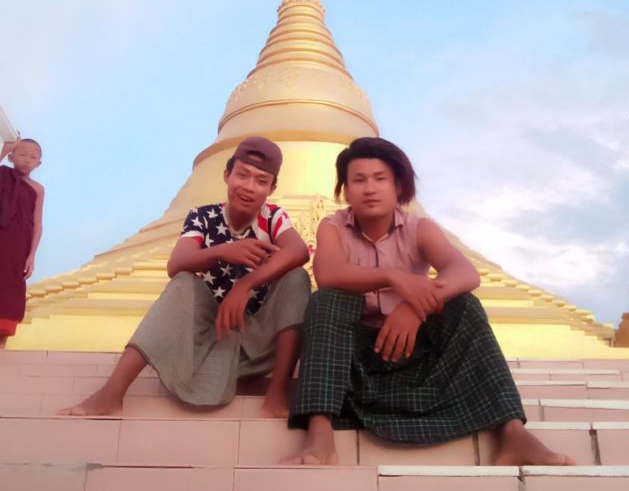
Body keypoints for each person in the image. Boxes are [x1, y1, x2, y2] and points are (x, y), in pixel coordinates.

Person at [287, 137, 573, 466]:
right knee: (327, 301)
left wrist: (414, 307)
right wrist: (393, 277)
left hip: (411, 351)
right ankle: (320, 433)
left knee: (464, 305)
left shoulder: (419, 228)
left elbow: (465, 272)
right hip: (355, 359)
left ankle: (512, 434)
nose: (370, 189)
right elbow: (328, 273)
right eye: (359, 180)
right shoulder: (333, 227)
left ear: (398, 186)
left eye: (380, 178)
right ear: (346, 191)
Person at [59, 136, 310, 417]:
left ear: (272, 188)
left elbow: (299, 250)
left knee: (296, 278)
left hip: (256, 341)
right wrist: (224, 251)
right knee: (183, 282)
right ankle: (111, 393)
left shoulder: (272, 217)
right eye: (242, 175)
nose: (249, 187)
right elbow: (176, 263)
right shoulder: (202, 217)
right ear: (226, 175)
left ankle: (276, 394)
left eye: (261, 181)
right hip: (209, 335)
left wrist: (246, 284)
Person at [0, 138, 44, 347]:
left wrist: (32, 255)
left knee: (11, 294)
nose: (27, 160)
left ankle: (2, 345)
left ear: (38, 163)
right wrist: (3, 150)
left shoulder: (37, 189)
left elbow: (37, 224)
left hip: (18, 249)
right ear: (11, 158)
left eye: (32, 157)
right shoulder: (3, 175)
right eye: (22, 154)